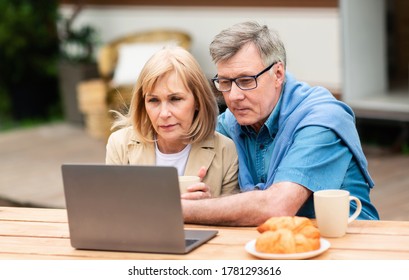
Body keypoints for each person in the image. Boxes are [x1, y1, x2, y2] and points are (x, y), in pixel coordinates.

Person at [182, 21, 380, 226]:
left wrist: (186, 210)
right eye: (225, 82)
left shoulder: (323, 119)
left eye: (246, 81)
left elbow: (278, 206)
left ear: (278, 74)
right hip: (274, 243)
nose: (233, 96)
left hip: (350, 243)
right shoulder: (228, 124)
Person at [105, 46, 239, 198]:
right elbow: (112, 210)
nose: (164, 114)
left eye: (175, 99)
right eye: (153, 100)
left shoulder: (226, 151)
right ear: (143, 103)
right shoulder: (120, 144)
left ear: (198, 101)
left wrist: (209, 206)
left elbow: (230, 218)